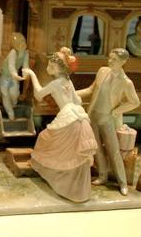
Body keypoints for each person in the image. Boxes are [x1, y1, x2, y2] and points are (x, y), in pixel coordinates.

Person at [22, 47, 97, 203]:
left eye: (50, 66)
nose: (48, 68)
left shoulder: (56, 83)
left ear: (56, 68)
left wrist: (32, 74)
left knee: (45, 140)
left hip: (68, 116)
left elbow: (38, 94)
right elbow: (78, 101)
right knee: (73, 153)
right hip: (79, 115)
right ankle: (78, 190)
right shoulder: (68, 81)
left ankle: (63, 183)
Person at [76, 48, 139, 196]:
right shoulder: (102, 71)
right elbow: (91, 89)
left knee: (114, 151)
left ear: (123, 62)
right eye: (110, 58)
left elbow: (135, 102)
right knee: (96, 148)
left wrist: (116, 111)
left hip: (108, 119)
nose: (110, 61)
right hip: (93, 116)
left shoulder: (126, 82)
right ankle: (102, 176)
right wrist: (73, 93)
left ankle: (122, 182)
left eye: (114, 59)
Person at [0, 32, 29, 120]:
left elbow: (25, 66)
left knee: (14, 93)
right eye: (20, 43)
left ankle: (13, 106)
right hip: (5, 76)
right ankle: (10, 113)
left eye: (23, 42)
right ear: (15, 45)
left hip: (14, 77)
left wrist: (25, 74)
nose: (22, 45)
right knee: (5, 94)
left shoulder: (25, 53)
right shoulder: (13, 52)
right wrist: (16, 75)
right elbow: (11, 66)